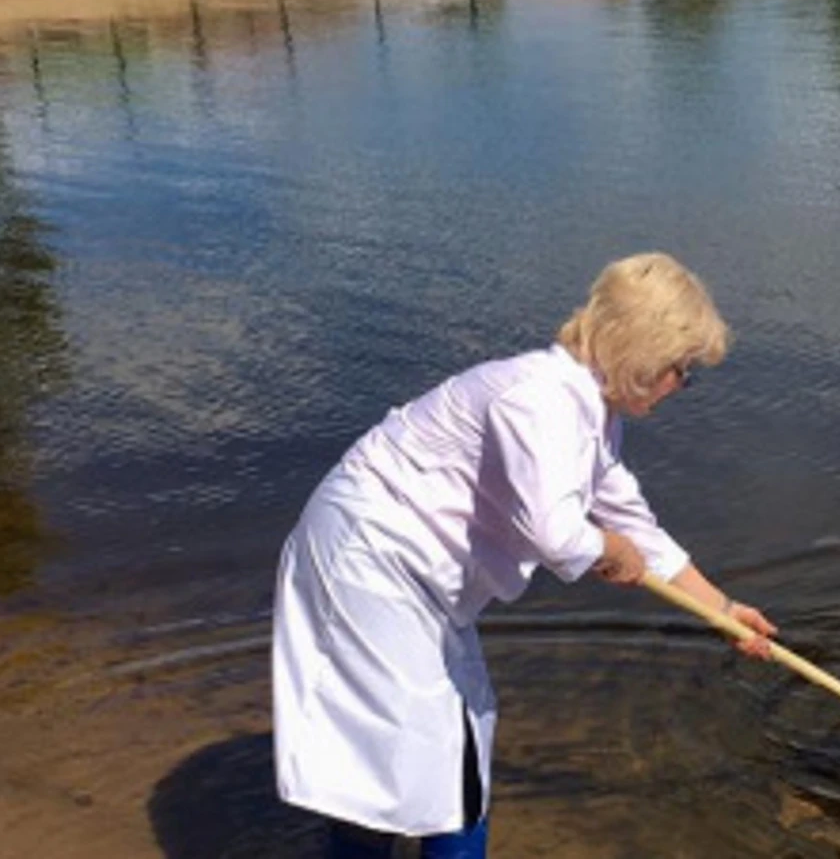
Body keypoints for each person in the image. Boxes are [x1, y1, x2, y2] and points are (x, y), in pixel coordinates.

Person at [273, 252, 779, 859]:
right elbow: (555, 531)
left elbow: (634, 526)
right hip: (369, 560)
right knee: (429, 753)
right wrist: (607, 550)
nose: (682, 385)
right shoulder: (538, 398)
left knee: (430, 742)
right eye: (682, 368)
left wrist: (723, 611)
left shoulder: (592, 412)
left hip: (411, 577)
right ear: (644, 351)